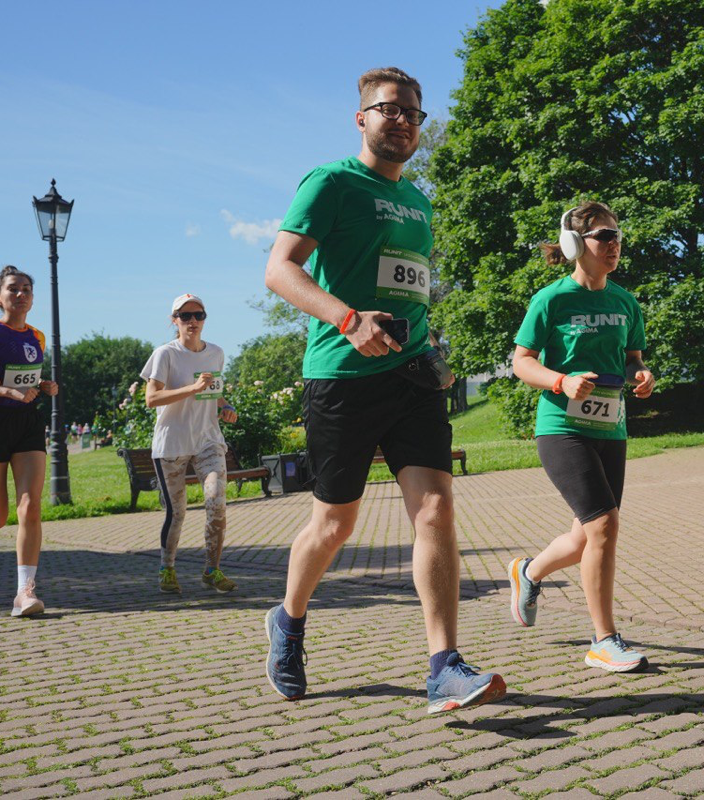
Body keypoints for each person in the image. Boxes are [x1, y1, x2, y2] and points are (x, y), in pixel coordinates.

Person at [261, 66, 505, 712]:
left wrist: (433, 355)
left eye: (413, 114)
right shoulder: (332, 182)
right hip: (340, 377)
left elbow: (410, 289)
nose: (402, 121)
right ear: (362, 117)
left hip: (412, 378)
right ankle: (287, 622)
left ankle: (443, 666)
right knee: (335, 525)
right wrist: (346, 318)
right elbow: (279, 270)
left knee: (435, 510)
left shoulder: (420, 204)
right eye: (389, 109)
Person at [507, 201, 656, 672]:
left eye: (617, 236)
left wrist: (641, 374)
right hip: (562, 429)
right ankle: (603, 640)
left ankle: (528, 571)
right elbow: (521, 361)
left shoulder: (625, 302)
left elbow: (632, 360)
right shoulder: (550, 300)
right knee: (604, 527)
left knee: (585, 537)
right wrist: (560, 380)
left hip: (611, 427)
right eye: (603, 236)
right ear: (575, 245)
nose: (614, 244)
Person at [0, 266, 59, 616]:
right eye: (12, 289)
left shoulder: (37, 337)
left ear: (32, 299)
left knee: (30, 506)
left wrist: (45, 387)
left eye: (26, 289)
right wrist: (1, 390)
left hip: (27, 423)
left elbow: (28, 380)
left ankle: (25, 592)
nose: (20, 294)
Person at [139, 294, 239, 595]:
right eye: (185, 316)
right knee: (178, 512)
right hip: (172, 443)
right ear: (174, 320)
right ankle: (167, 567)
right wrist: (191, 388)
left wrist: (225, 406)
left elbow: (213, 392)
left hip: (208, 440)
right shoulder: (165, 355)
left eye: (199, 315)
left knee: (216, 501)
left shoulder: (216, 353)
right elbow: (151, 398)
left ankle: (212, 570)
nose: (193, 321)